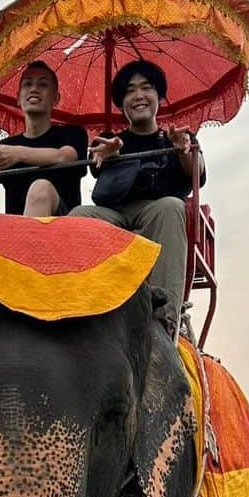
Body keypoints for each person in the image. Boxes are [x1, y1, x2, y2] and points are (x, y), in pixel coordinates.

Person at [69, 60, 204, 332]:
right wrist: (108, 153)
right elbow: (96, 161)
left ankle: (164, 320)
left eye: (146, 88)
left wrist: (182, 151)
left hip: (157, 213)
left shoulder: (177, 138)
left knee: (169, 207)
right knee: (78, 216)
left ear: (158, 97)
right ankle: (78, 308)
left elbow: (196, 174)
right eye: (130, 91)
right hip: (116, 214)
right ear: (122, 102)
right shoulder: (110, 141)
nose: (138, 95)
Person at [0, 61, 88, 217]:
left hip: (63, 228)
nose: (34, 89)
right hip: (16, 230)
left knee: (41, 189)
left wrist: (18, 154)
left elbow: (64, 156)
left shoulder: (72, 133)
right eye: (27, 84)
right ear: (18, 98)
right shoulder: (7, 147)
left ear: (56, 99)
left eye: (43, 85)